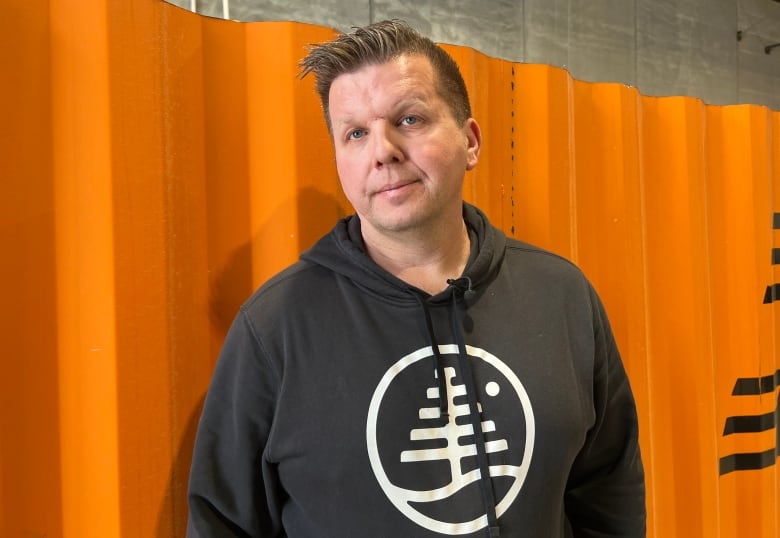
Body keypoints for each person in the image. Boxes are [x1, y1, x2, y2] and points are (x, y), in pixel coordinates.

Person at [186, 20, 645, 538]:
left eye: (409, 119)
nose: (382, 151)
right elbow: (222, 524)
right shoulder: (274, 329)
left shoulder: (562, 297)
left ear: (470, 141)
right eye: (355, 133)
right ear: (339, 159)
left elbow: (608, 493)